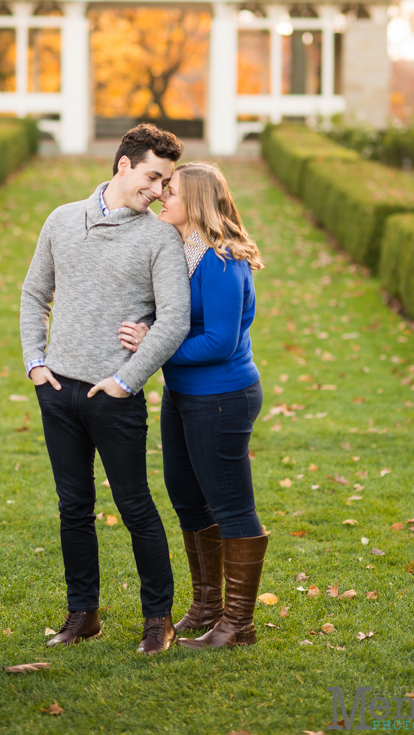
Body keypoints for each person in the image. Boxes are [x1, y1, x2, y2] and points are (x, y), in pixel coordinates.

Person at [20, 123, 191, 655]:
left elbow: (175, 320)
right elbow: (34, 293)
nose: (160, 192)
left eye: (166, 183)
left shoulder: (160, 237)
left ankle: (157, 620)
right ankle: (82, 614)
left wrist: (126, 379)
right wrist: (34, 364)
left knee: (136, 506)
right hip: (58, 392)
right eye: (153, 177)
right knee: (73, 507)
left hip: (116, 397)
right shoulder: (62, 220)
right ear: (123, 165)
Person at [119, 161, 267, 649]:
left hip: (222, 398)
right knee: (185, 495)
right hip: (184, 396)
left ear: (198, 201)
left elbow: (220, 342)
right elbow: (172, 320)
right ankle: (207, 605)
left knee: (231, 506)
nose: (163, 195)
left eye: (172, 190)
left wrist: (151, 348)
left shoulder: (222, 261)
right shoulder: (185, 251)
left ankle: (238, 623)